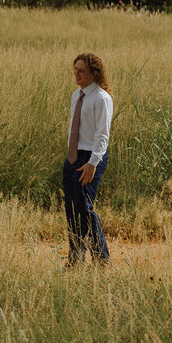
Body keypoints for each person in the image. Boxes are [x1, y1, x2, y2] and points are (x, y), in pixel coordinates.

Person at [62, 52, 113, 267]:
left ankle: (102, 259)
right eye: (75, 69)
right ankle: (76, 259)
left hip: (91, 156)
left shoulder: (101, 98)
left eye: (81, 70)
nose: (76, 73)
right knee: (71, 208)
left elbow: (102, 134)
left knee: (85, 208)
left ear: (94, 72)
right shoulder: (77, 95)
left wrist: (92, 163)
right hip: (73, 156)